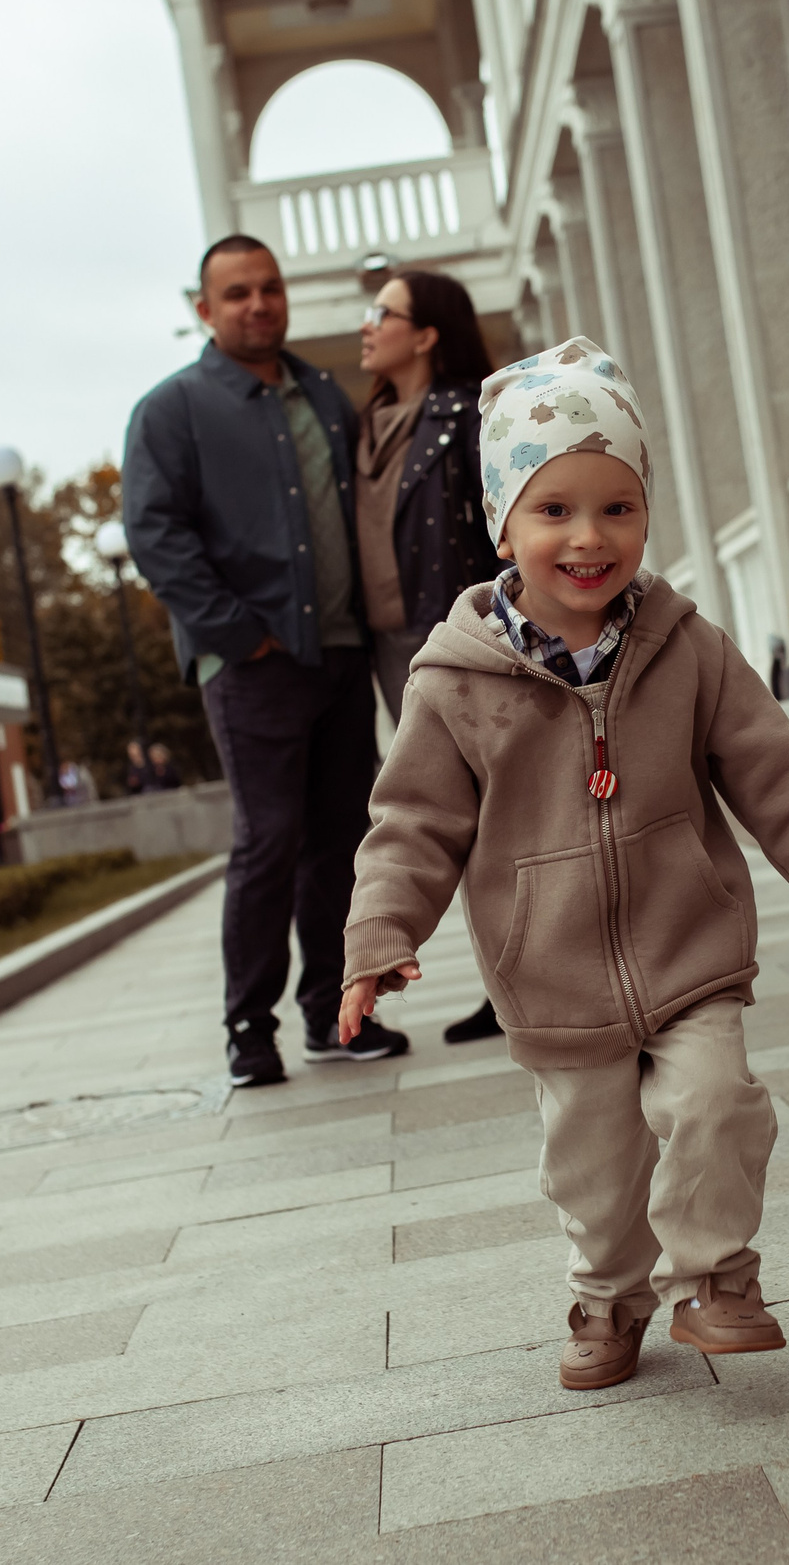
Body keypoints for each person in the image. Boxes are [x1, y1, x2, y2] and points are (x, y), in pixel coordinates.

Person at [336, 337, 789, 1393]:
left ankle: (719, 1280)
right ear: (500, 523)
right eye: (553, 510)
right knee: (594, 1168)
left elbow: (774, 771)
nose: (588, 537)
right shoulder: (455, 681)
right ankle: (608, 1297)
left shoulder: (684, 647)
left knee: (712, 1104)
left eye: (617, 508)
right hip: (551, 975)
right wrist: (378, 941)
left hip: (686, 946)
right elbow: (411, 825)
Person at [123, 234, 413, 1088]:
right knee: (268, 840)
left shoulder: (323, 393)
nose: (259, 304)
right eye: (238, 293)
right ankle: (251, 1028)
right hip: (250, 664)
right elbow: (156, 534)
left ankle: (333, 1013)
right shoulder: (170, 410)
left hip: (338, 650)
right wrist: (236, 633)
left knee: (339, 839)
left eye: (270, 288)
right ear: (203, 310)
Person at [353, 267, 508, 1048]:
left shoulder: (467, 417)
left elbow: (500, 531)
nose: (367, 324)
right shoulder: (368, 424)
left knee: (491, 812)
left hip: (457, 637)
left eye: (384, 312)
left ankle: (513, 979)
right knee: (445, 808)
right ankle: (506, 977)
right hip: (392, 647)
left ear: (426, 334)